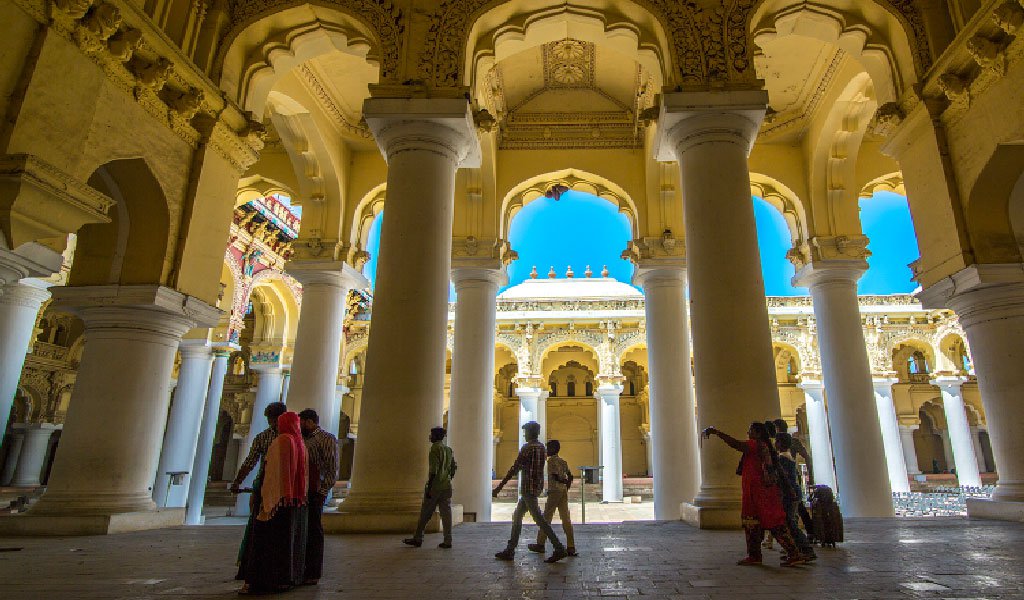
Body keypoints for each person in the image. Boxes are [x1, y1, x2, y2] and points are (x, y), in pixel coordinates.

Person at [702, 422, 806, 567]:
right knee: (766, 524)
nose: (748, 432)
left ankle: (770, 554)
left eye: (750, 430)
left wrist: (717, 433)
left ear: (757, 433)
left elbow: (736, 444)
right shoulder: (764, 447)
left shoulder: (755, 445)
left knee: (764, 524)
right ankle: (767, 554)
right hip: (762, 491)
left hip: (758, 492)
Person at [239, 411, 309, 594]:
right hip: (293, 501)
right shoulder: (300, 443)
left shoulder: (282, 441)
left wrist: (265, 498)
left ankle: (262, 580)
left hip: (275, 501)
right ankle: (286, 578)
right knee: (286, 542)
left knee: (265, 543)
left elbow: (273, 473)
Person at [492, 421, 567, 563]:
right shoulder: (541, 448)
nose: (524, 435)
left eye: (525, 432)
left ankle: (559, 548)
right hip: (535, 487)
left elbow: (515, 468)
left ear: (531, 432)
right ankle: (510, 549)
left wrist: (499, 487)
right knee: (517, 516)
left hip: (528, 488)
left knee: (540, 520)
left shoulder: (527, 448)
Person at [232, 401, 287, 581]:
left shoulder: (266, 437)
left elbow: (250, 462)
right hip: (279, 487)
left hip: (267, 485)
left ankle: (254, 565)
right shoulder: (292, 437)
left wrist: (238, 481)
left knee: (259, 527)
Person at [298, 409, 339, 585]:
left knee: (314, 530)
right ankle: (299, 568)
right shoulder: (301, 439)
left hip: (316, 491)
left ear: (309, 422)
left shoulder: (326, 439)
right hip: (301, 491)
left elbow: (332, 468)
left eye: (302, 422)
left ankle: (313, 572)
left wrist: (323, 492)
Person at [403, 426, 457, 549]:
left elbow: (434, 469)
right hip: (446, 486)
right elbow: (454, 468)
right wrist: (447, 478)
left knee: (425, 514)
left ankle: (418, 538)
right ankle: (448, 540)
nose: (430, 437)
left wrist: (430, 486)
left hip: (435, 486)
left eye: (432, 435)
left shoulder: (434, 449)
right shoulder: (448, 450)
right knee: (446, 514)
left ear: (436, 436)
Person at [528, 439, 577, 557]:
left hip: (554, 491)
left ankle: (540, 544)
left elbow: (555, 476)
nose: (546, 450)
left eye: (548, 448)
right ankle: (571, 546)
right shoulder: (563, 461)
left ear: (553, 449)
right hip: (563, 491)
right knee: (566, 518)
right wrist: (566, 485)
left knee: (546, 517)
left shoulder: (551, 462)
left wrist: (563, 481)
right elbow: (570, 475)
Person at [775, 433, 816, 562]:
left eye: (776, 441)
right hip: (792, 492)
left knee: (790, 523)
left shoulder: (783, 458)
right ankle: (799, 550)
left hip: (789, 493)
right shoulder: (787, 456)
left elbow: (784, 478)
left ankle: (805, 550)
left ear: (780, 443)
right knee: (790, 522)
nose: (775, 443)